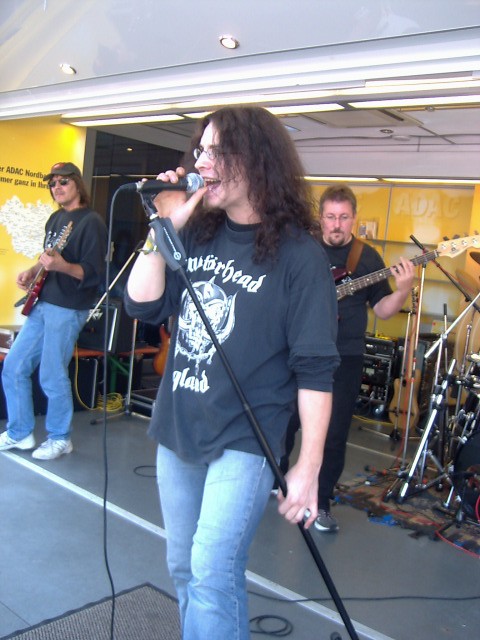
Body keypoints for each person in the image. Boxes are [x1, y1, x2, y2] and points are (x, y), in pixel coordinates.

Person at [123, 106, 339, 640]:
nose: (202, 162)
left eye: (218, 151)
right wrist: (162, 227)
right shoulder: (195, 233)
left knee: (212, 569)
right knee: (183, 566)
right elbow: (141, 303)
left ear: (258, 159)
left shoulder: (300, 257)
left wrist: (308, 466)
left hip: (246, 436)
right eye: (200, 151)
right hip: (179, 426)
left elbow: (315, 370)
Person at [312, 184, 415, 532]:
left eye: (343, 217)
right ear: (320, 218)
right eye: (330, 217)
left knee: (335, 433)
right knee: (286, 419)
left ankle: (321, 502)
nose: (336, 224)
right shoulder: (304, 249)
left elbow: (383, 311)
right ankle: (275, 478)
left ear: (354, 218)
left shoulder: (367, 258)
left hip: (346, 356)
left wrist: (403, 289)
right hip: (302, 352)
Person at [0, 162, 107, 460]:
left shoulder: (92, 222)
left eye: (63, 182)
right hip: (43, 303)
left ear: (77, 185)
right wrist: (33, 270)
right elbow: (48, 256)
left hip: (68, 308)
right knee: (14, 366)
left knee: (51, 374)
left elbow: (93, 273)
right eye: (52, 183)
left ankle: (60, 438)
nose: (56, 187)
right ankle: (20, 432)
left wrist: (62, 266)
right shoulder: (56, 218)